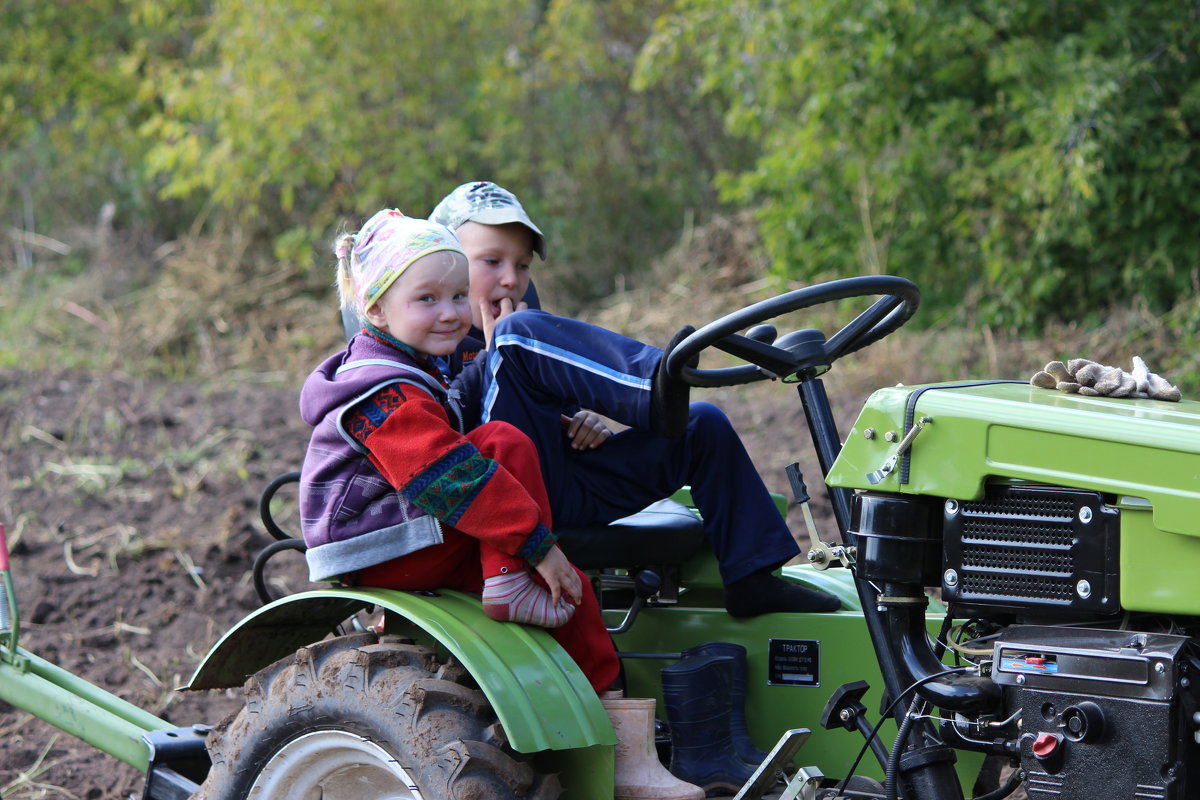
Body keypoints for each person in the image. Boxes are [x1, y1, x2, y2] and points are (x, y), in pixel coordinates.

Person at [429, 181, 841, 617]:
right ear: (444, 266)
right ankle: (655, 386)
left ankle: (751, 578)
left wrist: (578, 421)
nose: (512, 279)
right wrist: (496, 351)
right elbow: (435, 434)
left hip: (562, 485)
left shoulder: (519, 339)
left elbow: (540, 413)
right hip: (494, 500)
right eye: (491, 261)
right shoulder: (428, 339)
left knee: (701, 425)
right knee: (518, 335)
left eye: (523, 265)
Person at [296, 210, 619, 693]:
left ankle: (616, 718)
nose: (450, 312)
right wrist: (537, 545)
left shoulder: (426, 363)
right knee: (501, 445)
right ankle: (510, 581)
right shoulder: (381, 391)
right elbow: (446, 474)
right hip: (379, 544)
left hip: (415, 531)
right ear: (377, 309)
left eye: (457, 296)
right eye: (426, 299)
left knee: (571, 589)